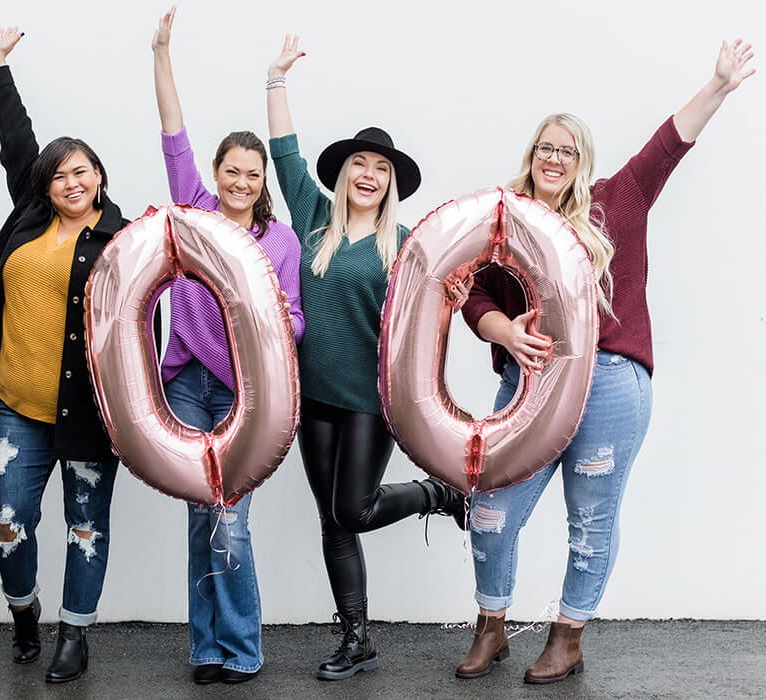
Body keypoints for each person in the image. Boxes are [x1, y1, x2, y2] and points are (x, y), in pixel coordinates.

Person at [454, 39, 756, 684]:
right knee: (491, 506)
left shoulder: (617, 199)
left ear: (582, 161)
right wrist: (504, 331)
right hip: (528, 383)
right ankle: (491, 626)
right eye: (545, 147)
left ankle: (567, 636)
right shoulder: (502, 218)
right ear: (530, 156)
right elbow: (473, 292)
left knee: (590, 515)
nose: (554, 158)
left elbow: (668, 144)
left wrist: (719, 86)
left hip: (610, 382)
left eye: (567, 149)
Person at [263, 35, 466, 681]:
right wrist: (276, 81)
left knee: (353, 509)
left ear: (389, 181)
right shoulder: (311, 218)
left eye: (380, 166)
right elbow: (284, 153)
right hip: (313, 397)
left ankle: (435, 493)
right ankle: (356, 639)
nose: (369, 173)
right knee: (333, 519)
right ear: (346, 172)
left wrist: (449, 307)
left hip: (369, 403)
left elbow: (418, 328)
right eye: (360, 163)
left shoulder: (403, 245)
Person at [149, 7, 305, 686]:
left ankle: (242, 648)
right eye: (231, 171)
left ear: (262, 181)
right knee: (199, 521)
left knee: (230, 523)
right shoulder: (195, 208)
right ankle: (204, 649)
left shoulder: (281, 242)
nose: (241, 183)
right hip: (186, 385)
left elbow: (295, 322)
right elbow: (173, 133)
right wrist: (161, 54)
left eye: (252, 174)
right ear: (216, 172)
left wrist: (262, 322)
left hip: (244, 394)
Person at [0, 26, 129, 684]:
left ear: (98, 178)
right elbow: (17, 143)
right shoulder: (29, 216)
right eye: (60, 173)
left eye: (82, 171)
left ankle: (75, 635)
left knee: (86, 527)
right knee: (10, 521)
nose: (71, 181)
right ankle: (25, 610)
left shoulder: (120, 237)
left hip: (90, 411)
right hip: (19, 407)